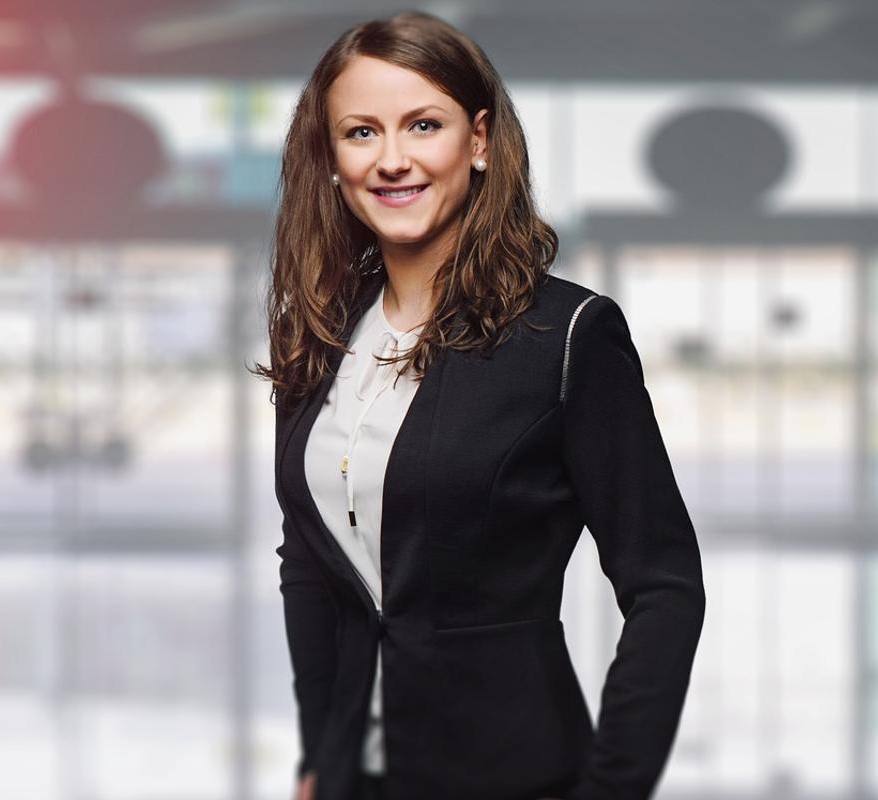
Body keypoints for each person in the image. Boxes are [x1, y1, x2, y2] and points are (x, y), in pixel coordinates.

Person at [252, 11, 705, 800]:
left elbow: (665, 586)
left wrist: (613, 789)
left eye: (423, 125)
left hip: (514, 775)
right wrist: (320, 759)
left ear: (480, 141)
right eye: (361, 133)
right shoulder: (320, 332)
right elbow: (311, 568)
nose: (392, 160)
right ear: (330, 158)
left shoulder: (567, 334)